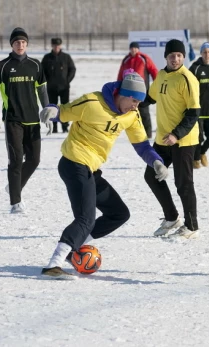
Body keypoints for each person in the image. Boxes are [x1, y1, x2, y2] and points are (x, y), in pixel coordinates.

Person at [39, 71, 169, 278]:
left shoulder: (131, 116)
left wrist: (156, 161)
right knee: (85, 219)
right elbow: (63, 111)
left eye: (140, 102)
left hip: (91, 169)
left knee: (119, 213)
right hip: (74, 163)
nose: (136, 106)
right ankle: (53, 264)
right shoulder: (92, 103)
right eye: (134, 100)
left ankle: (74, 247)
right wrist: (52, 111)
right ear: (122, 94)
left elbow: (142, 145)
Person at [142, 39, 201, 239]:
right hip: (162, 139)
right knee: (151, 176)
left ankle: (191, 226)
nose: (175, 59)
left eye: (178, 55)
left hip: (183, 140)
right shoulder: (160, 75)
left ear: (183, 57)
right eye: (171, 55)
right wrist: (131, 101)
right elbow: (149, 98)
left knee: (183, 184)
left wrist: (177, 134)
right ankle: (171, 218)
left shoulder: (187, 78)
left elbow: (194, 113)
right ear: (166, 57)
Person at [0, 27, 50, 214]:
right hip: (13, 120)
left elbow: (42, 91)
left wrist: (48, 111)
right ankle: (16, 202)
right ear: (12, 45)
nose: (20, 45)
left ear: (27, 44)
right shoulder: (2, 66)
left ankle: (13, 186)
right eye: (16, 42)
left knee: (34, 160)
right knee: (15, 161)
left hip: (32, 120)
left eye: (23, 42)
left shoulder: (36, 65)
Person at [117, 42, 159, 138]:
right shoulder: (126, 60)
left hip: (142, 90)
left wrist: (157, 83)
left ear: (138, 49)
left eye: (135, 48)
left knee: (144, 111)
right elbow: (120, 74)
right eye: (132, 48)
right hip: (128, 90)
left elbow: (153, 70)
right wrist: (118, 86)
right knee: (130, 111)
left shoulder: (144, 58)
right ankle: (133, 133)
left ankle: (148, 134)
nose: (134, 50)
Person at [42, 37, 76, 134]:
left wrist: (67, 81)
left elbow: (72, 69)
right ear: (52, 45)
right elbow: (42, 71)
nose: (56, 47)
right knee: (52, 107)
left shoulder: (66, 57)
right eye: (54, 45)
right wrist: (47, 81)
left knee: (65, 107)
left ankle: (65, 127)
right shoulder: (47, 58)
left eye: (58, 45)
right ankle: (54, 127)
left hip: (64, 87)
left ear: (60, 46)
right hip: (51, 87)